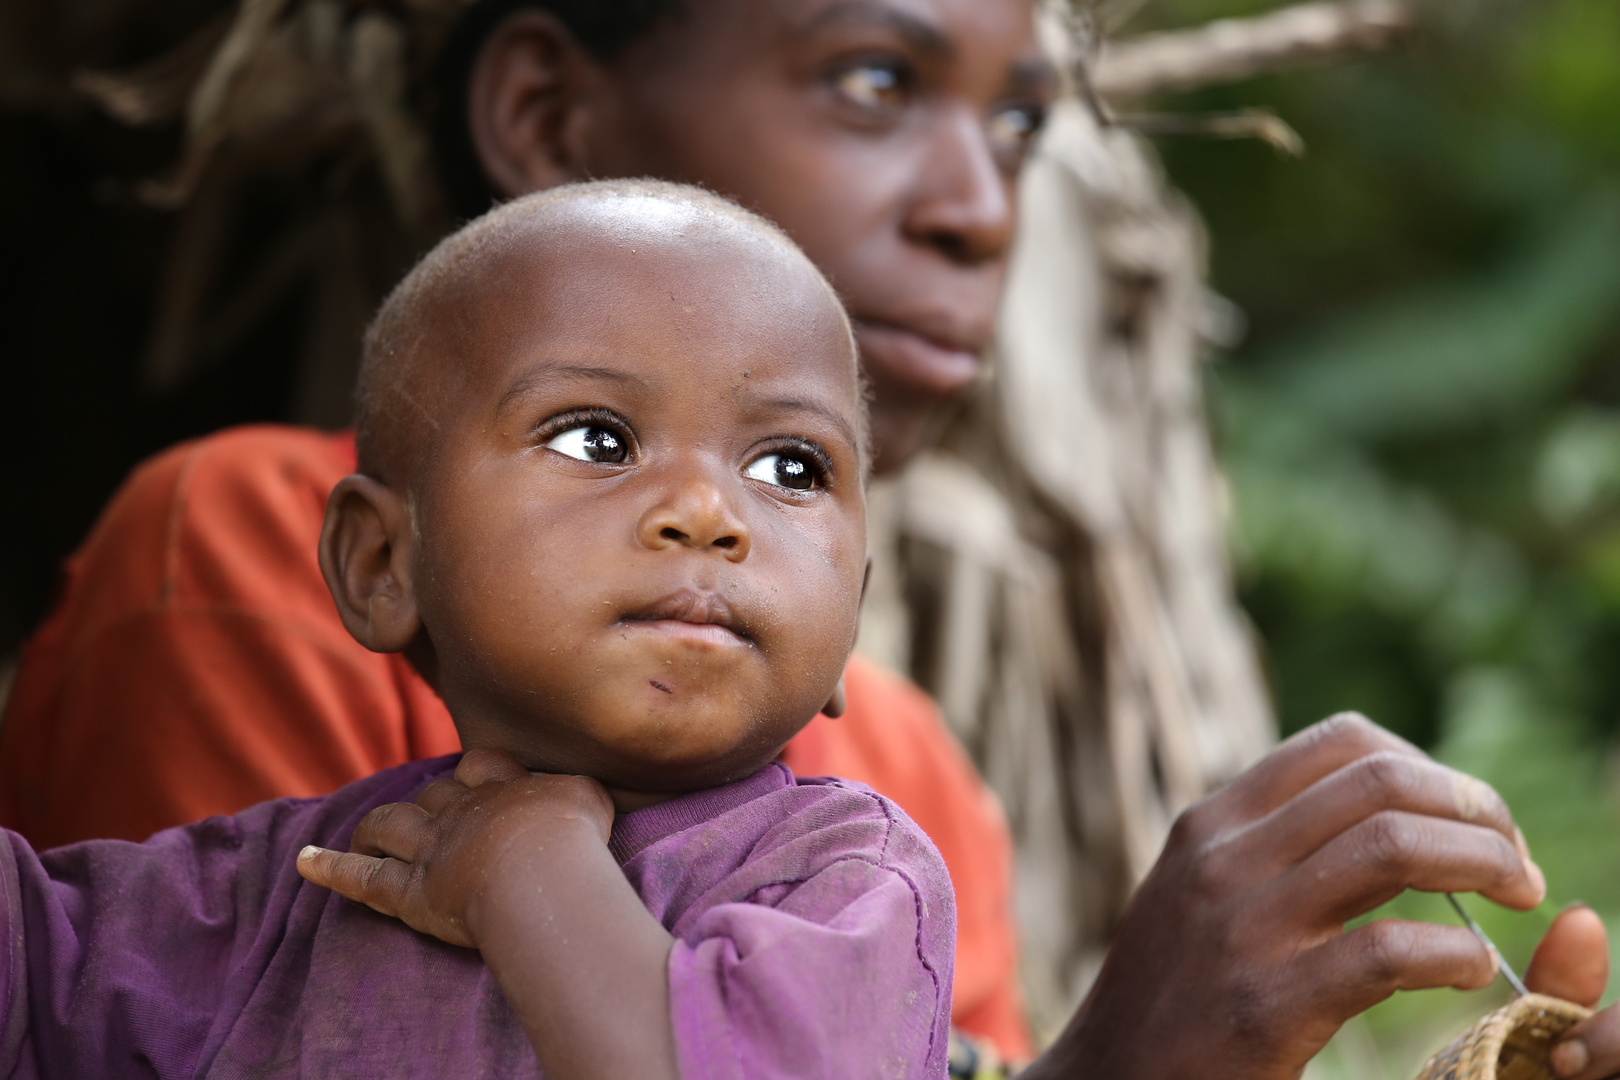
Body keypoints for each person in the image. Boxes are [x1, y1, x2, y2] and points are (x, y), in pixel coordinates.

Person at [7, 2, 1620, 1076]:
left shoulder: (899, 810)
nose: (981, 209)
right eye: (874, 79)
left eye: (1019, 130)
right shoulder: (243, 554)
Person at [2, 180, 961, 1079]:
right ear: (384, 564)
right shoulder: (289, 891)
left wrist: (528, 876)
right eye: (598, 440)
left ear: (857, 608)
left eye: (792, 468)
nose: (709, 511)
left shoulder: (847, 882)